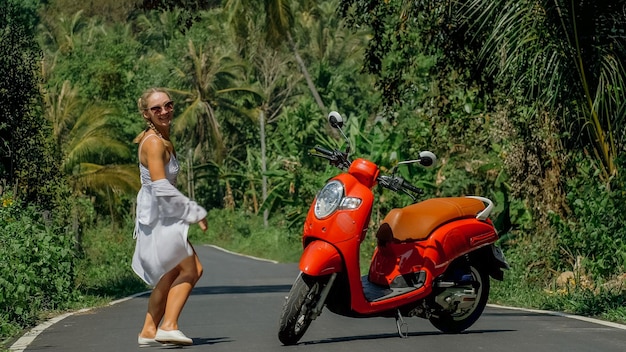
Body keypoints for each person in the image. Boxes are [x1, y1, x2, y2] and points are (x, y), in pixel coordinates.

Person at [131, 87, 208, 347]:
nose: (164, 111)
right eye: (156, 109)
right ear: (146, 114)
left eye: (168, 105)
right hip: (160, 215)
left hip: (160, 214)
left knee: (170, 273)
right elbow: (160, 185)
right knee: (192, 269)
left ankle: (149, 330)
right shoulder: (153, 143)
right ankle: (169, 325)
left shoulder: (161, 139)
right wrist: (193, 211)